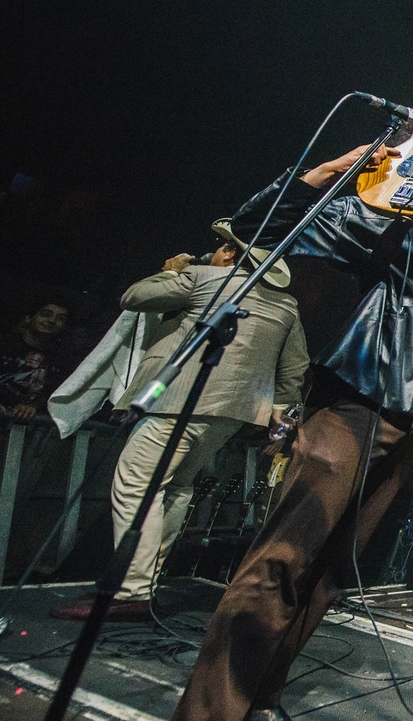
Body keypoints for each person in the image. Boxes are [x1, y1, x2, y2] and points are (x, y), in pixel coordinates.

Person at [172, 106, 413, 721]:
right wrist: (341, 166)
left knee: (332, 571)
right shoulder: (376, 218)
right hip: (359, 393)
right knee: (283, 557)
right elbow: (256, 224)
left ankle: (261, 695)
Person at [51, 222, 309, 622]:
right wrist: (282, 409)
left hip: (177, 401)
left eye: (223, 247)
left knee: (137, 483)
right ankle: (146, 584)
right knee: (176, 487)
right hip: (234, 412)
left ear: (231, 255)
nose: (216, 252)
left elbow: (134, 297)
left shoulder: (203, 277)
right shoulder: (286, 304)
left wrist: (171, 270)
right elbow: (295, 366)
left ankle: (132, 591)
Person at [0, 301, 77, 421]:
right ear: (28, 318)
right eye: (46, 314)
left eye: (60, 318)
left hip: (24, 430)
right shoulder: (6, 345)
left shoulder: (62, 360)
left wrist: (34, 406)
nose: (51, 320)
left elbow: (56, 394)